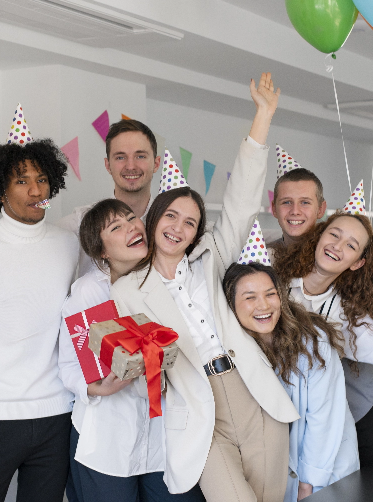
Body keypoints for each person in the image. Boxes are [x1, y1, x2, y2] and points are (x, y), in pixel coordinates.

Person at [111, 73, 300, 502]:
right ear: (154, 218)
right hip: (199, 412)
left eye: (191, 222)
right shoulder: (127, 290)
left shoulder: (211, 257)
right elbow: (143, 364)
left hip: (252, 391)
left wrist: (263, 117)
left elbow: (241, 199)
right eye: (171, 217)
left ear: (199, 232)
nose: (179, 228)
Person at [58, 199, 205, 502]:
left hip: (163, 437)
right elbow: (70, 366)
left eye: (131, 218)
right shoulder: (88, 292)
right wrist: (98, 388)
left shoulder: (166, 278)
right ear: (101, 250)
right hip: (106, 441)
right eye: (116, 227)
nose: (131, 227)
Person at [223, 261, 359, 501]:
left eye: (270, 294)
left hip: (323, 468)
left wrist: (308, 483)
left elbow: (323, 418)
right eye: (250, 297)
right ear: (230, 305)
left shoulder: (314, 342)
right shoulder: (231, 350)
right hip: (274, 473)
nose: (263, 305)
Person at [0, 105, 79, 502]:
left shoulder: (68, 244)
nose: (36, 191)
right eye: (21, 181)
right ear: (2, 189)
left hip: (55, 413)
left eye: (43, 179)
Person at [273, 210, 373, 467]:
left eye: (351, 245)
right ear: (319, 236)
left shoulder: (347, 315)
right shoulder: (272, 273)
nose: (337, 246)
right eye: (334, 235)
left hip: (304, 418)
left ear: (357, 263)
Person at [57, 119, 161, 277]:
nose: (131, 166)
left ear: (156, 163)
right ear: (107, 165)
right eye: (120, 157)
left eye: (140, 156)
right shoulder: (77, 224)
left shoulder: (171, 225)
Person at [270, 163, 326, 247]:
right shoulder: (261, 256)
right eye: (286, 202)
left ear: (320, 209)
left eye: (305, 202)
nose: (295, 211)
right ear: (274, 209)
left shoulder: (333, 255)